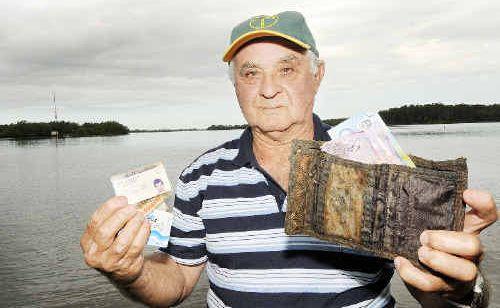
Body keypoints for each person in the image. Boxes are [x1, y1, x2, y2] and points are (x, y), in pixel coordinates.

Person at [80, 11, 498, 307]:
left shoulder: (382, 169)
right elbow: (175, 282)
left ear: (317, 75)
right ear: (236, 87)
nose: (268, 89)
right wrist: (130, 272)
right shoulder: (199, 177)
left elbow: (433, 293)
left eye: (286, 69)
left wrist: (463, 290)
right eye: (250, 73)